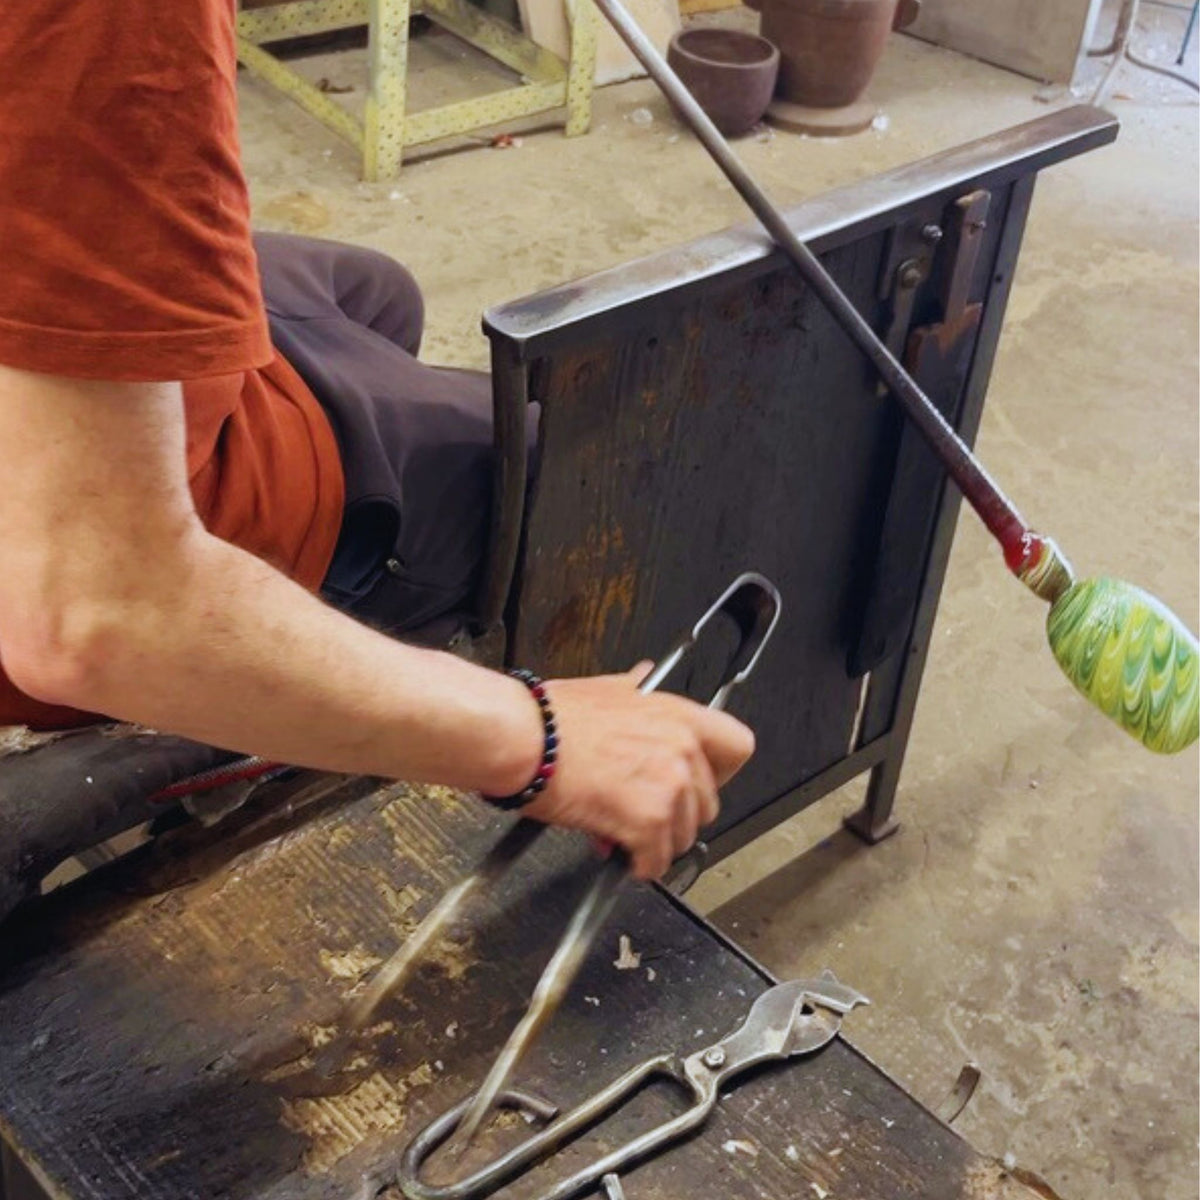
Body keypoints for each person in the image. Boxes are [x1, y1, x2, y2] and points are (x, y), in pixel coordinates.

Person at [0, 2, 753, 882]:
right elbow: (97, 614)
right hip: (82, 546)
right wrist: (535, 740)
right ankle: (354, 665)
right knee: (563, 470)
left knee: (377, 294)